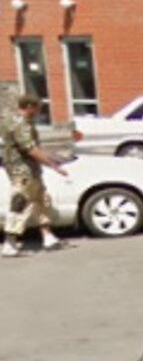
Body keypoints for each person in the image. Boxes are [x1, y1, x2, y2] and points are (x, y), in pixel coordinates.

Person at [2, 94, 70, 257]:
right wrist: (53, 165)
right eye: (37, 108)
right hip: (22, 172)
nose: (39, 111)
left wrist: (54, 156)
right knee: (20, 205)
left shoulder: (17, 121)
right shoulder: (20, 124)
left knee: (42, 201)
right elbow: (30, 149)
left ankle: (47, 237)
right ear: (29, 107)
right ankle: (9, 243)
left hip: (31, 171)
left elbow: (35, 147)